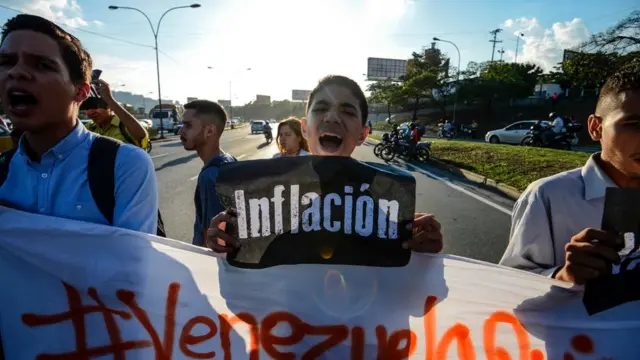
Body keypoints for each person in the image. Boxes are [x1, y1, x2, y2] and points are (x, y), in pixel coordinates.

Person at [206, 75, 444, 255]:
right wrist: (222, 242)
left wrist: (423, 252)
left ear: (363, 134)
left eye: (347, 111)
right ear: (305, 128)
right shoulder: (265, 197)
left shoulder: (385, 208)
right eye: (321, 109)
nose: (331, 117)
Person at [0, 14, 158, 233]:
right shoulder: (3, 170)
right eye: (6, 62)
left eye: (43, 65)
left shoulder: (124, 164)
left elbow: (135, 263)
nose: (15, 72)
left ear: (80, 92)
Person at [500, 60, 640, 285]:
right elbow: (508, 283)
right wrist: (563, 275)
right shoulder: (549, 196)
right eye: (634, 124)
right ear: (596, 128)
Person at [178, 100, 237, 247]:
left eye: (188, 125)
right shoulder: (230, 160)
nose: (181, 131)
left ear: (210, 130)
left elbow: (210, 238)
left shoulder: (209, 176)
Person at [84, 79, 149, 150]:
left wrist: (110, 99)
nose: (90, 112)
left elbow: (141, 135)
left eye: (95, 107)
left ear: (110, 106)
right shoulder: (89, 129)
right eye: (87, 108)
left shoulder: (124, 126)